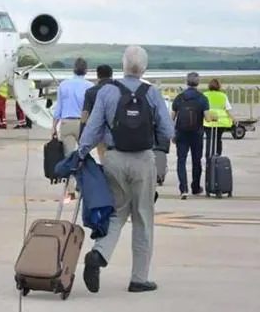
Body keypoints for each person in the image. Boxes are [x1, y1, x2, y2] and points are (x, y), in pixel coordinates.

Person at [75, 45, 173, 294]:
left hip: (114, 158)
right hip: (142, 160)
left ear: (123, 65)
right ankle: (139, 278)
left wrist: (81, 153)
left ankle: (98, 254)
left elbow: (93, 128)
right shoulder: (151, 93)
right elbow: (167, 131)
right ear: (144, 68)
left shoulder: (107, 92)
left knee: (116, 213)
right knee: (143, 218)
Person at [52, 57, 94, 200]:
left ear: (73, 69)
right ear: (86, 70)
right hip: (83, 124)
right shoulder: (90, 86)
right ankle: (83, 185)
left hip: (67, 123)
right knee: (83, 156)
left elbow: (58, 109)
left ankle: (70, 190)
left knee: (69, 157)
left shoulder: (64, 85)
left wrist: (53, 127)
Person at [171, 72, 212, 199]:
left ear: (186, 82)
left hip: (181, 133)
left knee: (181, 161)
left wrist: (172, 134)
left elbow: (172, 118)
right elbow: (207, 118)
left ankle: (183, 189)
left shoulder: (179, 98)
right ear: (198, 82)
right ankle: (195, 187)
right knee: (196, 161)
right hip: (196, 133)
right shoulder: (202, 98)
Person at [80, 64, 113, 163]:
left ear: (98, 76)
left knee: (103, 158)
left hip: (99, 131)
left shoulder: (91, 92)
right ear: (111, 75)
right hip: (117, 131)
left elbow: (85, 113)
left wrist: (82, 130)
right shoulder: (119, 89)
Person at [203, 78, 234, 158]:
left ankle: (208, 157)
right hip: (221, 122)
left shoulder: (205, 95)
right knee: (218, 139)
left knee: (209, 139)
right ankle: (218, 156)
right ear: (219, 86)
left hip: (208, 121)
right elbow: (228, 109)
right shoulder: (223, 96)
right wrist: (233, 119)